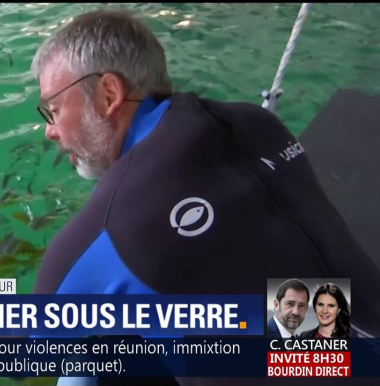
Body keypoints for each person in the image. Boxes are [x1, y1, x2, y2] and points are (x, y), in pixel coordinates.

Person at [30, 9, 380, 386]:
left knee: (88, 360)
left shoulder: (114, 223)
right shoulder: (257, 121)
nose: (50, 131)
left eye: (53, 110)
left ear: (110, 94)